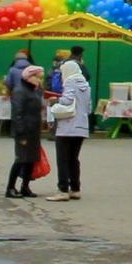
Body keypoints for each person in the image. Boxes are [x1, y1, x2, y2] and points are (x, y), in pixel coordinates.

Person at [50, 55, 91, 197]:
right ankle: (75, 188)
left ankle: (62, 189)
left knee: (62, 159)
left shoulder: (69, 82)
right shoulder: (85, 85)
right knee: (74, 158)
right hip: (82, 127)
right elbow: (89, 107)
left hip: (68, 127)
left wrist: (56, 100)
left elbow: (67, 100)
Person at [5, 63, 46, 197]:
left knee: (31, 159)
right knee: (21, 159)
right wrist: (20, 133)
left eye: (41, 78)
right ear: (29, 77)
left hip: (34, 130)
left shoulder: (34, 91)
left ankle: (25, 187)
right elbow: (17, 113)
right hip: (24, 131)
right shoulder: (20, 91)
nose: (40, 80)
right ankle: (10, 188)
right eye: (38, 78)